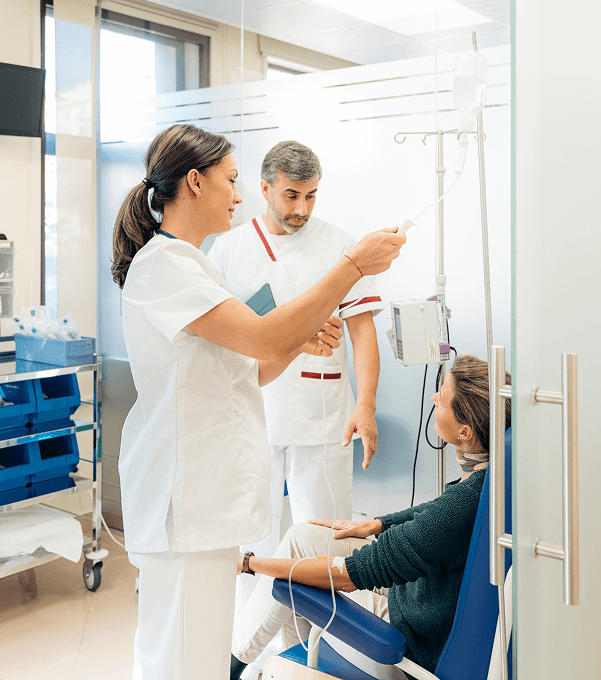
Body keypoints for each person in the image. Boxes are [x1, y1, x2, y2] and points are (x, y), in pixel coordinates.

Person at [111, 123, 406, 680]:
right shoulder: (165, 265)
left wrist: (299, 339)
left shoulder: (191, 263)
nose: (239, 195)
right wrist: (351, 268)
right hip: (185, 503)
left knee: (194, 655)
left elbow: (255, 366)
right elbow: (264, 338)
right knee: (179, 660)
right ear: (195, 183)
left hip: (208, 500)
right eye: (232, 180)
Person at [229, 354, 511, 677]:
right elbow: (431, 515)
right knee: (300, 537)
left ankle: (244, 666)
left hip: (403, 626)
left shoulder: (464, 504)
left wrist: (249, 563)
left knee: (293, 581)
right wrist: (377, 524)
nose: (434, 398)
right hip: (414, 595)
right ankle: (253, 660)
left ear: (464, 432)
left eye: (443, 399)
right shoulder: (488, 477)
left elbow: (354, 574)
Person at [208, 142, 383, 568]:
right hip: (251, 412)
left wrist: (366, 404)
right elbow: (214, 337)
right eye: (291, 195)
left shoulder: (342, 247)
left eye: (311, 196)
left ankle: (322, 633)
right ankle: (253, 633)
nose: (302, 209)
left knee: (325, 537)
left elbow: (363, 332)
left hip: (321, 418)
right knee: (252, 537)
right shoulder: (229, 250)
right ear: (266, 188)